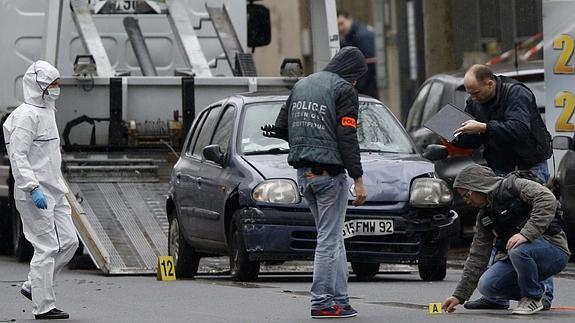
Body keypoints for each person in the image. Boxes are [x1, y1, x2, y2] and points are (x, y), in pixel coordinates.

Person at [262, 47, 368, 319]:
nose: (355, 82)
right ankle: (322, 301)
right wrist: (358, 178)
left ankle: (341, 300)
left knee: (333, 238)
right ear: (351, 72)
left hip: (304, 175)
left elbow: (281, 127)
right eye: (356, 77)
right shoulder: (344, 90)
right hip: (329, 176)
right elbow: (347, 136)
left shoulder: (302, 84)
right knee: (329, 240)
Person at [453, 63, 554, 310]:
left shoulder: (517, 93)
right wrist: (457, 133)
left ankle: (543, 295)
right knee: (495, 227)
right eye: (469, 93)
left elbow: (519, 129)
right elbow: (476, 139)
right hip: (498, 168)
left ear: (490, 83)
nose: (472, 98)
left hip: (529, 166)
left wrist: (484, 127)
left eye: (475, 92)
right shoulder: (475, 102)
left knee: (531, 230)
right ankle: (495, 295)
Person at [3, 60, 78, 320]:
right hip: (34, 192)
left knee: (69, 242)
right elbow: (19, 156)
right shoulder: (25, 116)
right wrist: (32, 187)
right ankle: (43, 306)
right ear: (39, 86)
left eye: (57, 84)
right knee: (45, 247)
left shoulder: (48, 110)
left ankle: (33, 285)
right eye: (52, 84)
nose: (56, 88)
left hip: (54, 189)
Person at [442, 164, 570, 315]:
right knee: (487, 286)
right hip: (519, 254)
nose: (467, 201)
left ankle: (532, 297)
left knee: (517, 250)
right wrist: (459, 295)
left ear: (478, 186)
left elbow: (547, 198)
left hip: (553, 249)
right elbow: (477, 257)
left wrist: (526, 233)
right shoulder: (485, 216)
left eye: (467, 195)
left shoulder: (514, 185)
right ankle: (539, 294)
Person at [337, 10, 378, 99]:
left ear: (350, 19)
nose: (340, 28)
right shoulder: (351, 36)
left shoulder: (361, 36)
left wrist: (358, 87)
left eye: (341, 24)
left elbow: (369, 64)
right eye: (338, 26)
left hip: (368, 86)